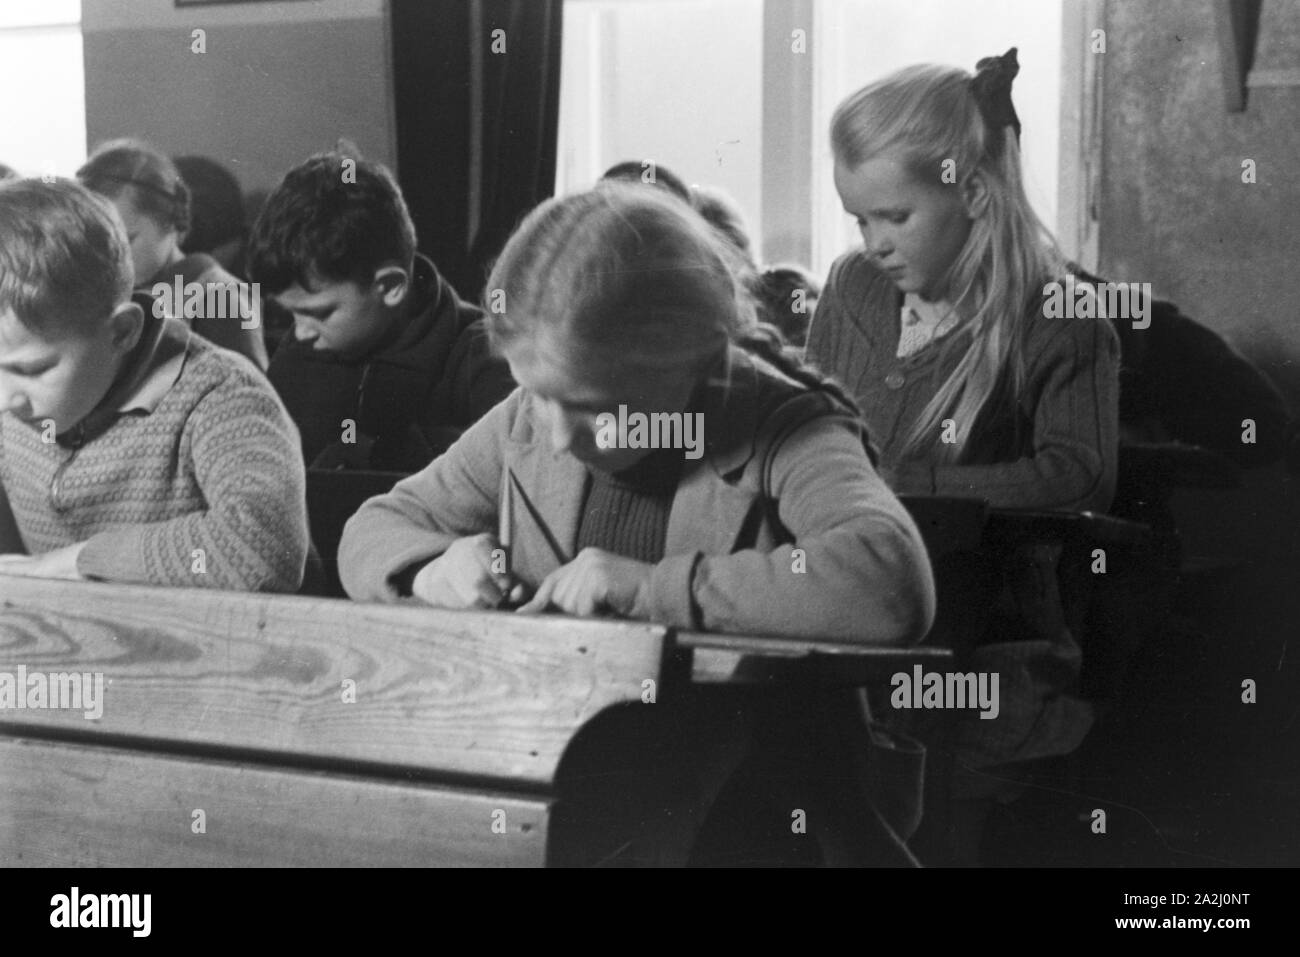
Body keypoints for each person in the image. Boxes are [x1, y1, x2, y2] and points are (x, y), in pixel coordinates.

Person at [338, 183, 935, 645]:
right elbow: (372, 528)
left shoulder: (786, 423)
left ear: (686, 366)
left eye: (593, 410)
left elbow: (888, 578)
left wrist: (654, 589)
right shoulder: (532, 412)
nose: (557, 435)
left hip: (759, 786)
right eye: (538, 394)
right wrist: (430, 567)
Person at [807, 50, 1121, 856]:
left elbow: (1080, 470)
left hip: (986, 638)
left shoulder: (1061, 314)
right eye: (858, 220)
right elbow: (810, 421)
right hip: (854, 616)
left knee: (923, 791)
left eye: (894, 217)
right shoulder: (853, 289)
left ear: (974, 195)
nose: (872, 242)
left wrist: (918, 483)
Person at [0, 178, 308, 591]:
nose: (6, 401)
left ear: (123, 331)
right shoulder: (22, 402)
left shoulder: (220, 395)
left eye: (34, 369)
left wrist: (83, 561)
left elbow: (264, 551)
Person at [246, 151, 515, 472]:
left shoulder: (486, 356)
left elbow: (511, 465)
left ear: (389, 287)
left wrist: (385, 455)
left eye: (319, 313)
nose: (300, 332)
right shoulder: (299, 352)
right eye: (292, 313)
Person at [77, 139, 268, 370]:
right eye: (95, 244)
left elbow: (250, 395)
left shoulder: (221, 295)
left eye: (126, 240)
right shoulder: (112, 294)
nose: (108, 259)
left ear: (169, 221)